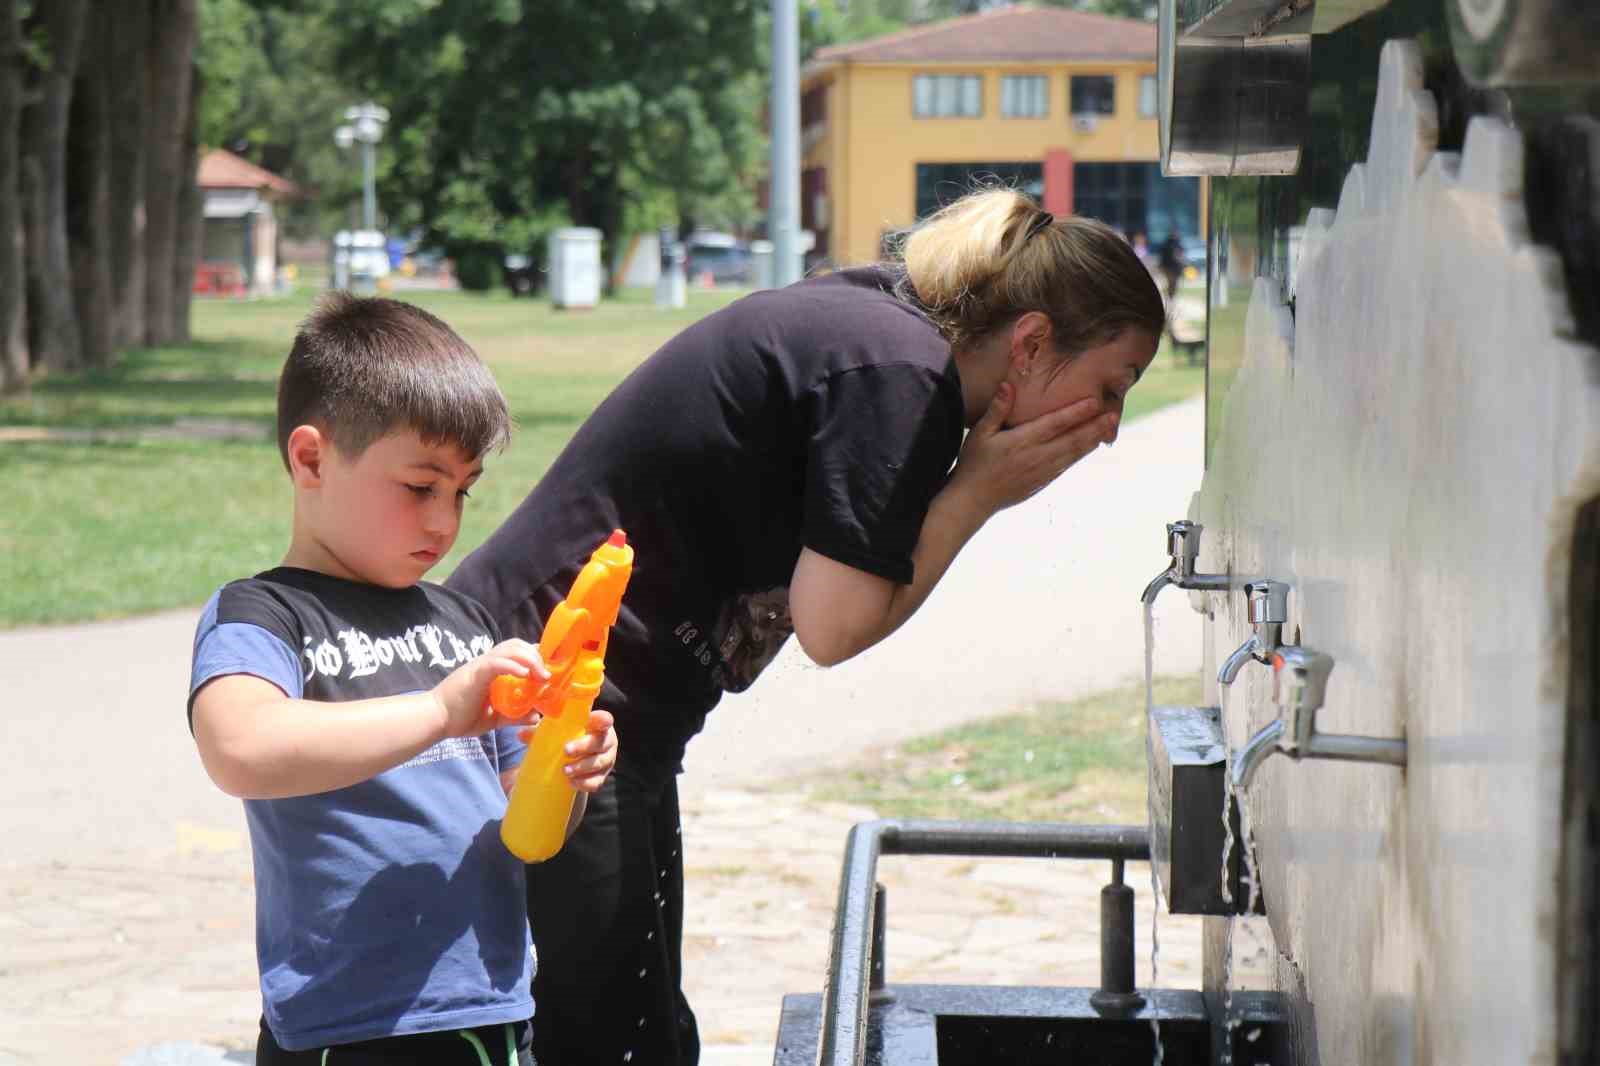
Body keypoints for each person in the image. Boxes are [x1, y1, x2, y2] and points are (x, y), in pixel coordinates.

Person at [447, 187, 1167, 1066]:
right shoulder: (902, 370)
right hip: (552, 706)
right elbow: (835, 626)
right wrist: (977, 491)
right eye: (1112, 386)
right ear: (1031, 341)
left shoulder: (888, 330)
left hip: (592, 710)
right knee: (612, 1042)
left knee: (641, 1032)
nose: (1111, 428)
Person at [186, 293, 619, 1064]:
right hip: (348, 1027)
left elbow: (532, 835)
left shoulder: (465, 622)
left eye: (462, 492)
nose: (444, 522)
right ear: (312, 458)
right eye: (421, 487)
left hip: (487, 1005)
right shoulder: (264, 616)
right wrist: (439, 711)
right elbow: (240, 748)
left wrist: (568, 770)